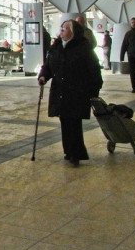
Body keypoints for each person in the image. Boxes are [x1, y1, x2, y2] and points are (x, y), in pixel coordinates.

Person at [38, 19, 103, 166]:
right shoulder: (56, 47)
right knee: (65, 121)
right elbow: (48, 66)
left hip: (77, 91)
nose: (62, 30)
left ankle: (76, 153)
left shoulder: (83, 48)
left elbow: (94, 71)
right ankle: (68, 151)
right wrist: (43, 76)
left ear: (73, 32)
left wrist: (94, 91)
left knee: (74, 122)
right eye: (61, 28)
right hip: (60, 90)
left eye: (66, 28)